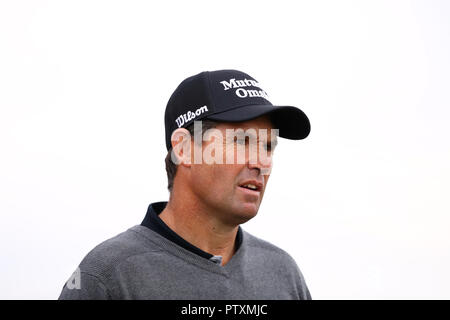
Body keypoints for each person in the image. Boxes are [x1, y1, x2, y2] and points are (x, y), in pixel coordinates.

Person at [58, 69, 312, 300]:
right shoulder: (107, 276)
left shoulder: (283, 272)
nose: (261, 163)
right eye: (241, 141)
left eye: (268, 146)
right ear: (184, 149)